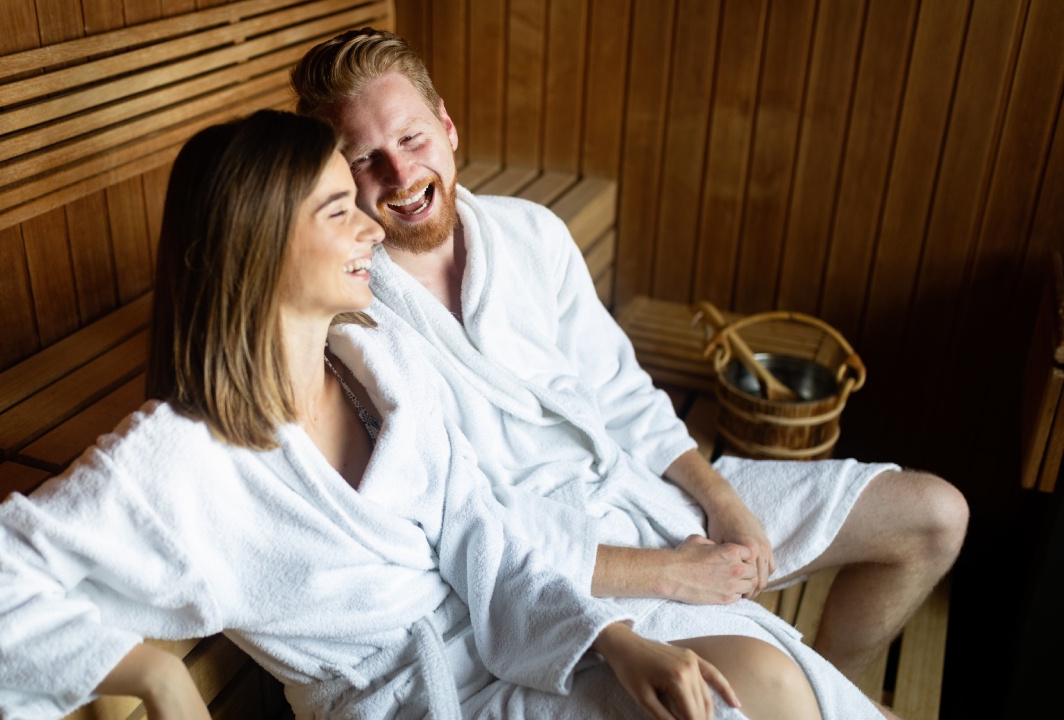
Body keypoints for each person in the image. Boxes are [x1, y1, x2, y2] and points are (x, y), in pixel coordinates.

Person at [0, 109, 865, 720]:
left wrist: (609, 638)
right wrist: (154, 677)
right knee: (757, 693)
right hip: (415, 704)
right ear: (254, 247)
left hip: (517, 648)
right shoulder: (180, 462)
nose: (372, 222)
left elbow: (484, 536)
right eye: (338, 210)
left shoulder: (378, 370)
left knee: (755, 683)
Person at [289, 28, 969, 691]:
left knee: (934, 515)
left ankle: (838, 687)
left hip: (641, 489)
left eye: (412, 138)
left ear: (447, 126)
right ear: (335, 180)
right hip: (568, 576)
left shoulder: (530, 233)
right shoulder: (354, 325)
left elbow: (620, 392)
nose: (401, 174)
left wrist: (722, 500)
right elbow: (468, 528)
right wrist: (669, 572)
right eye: (365, 158)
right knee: (768, 688)